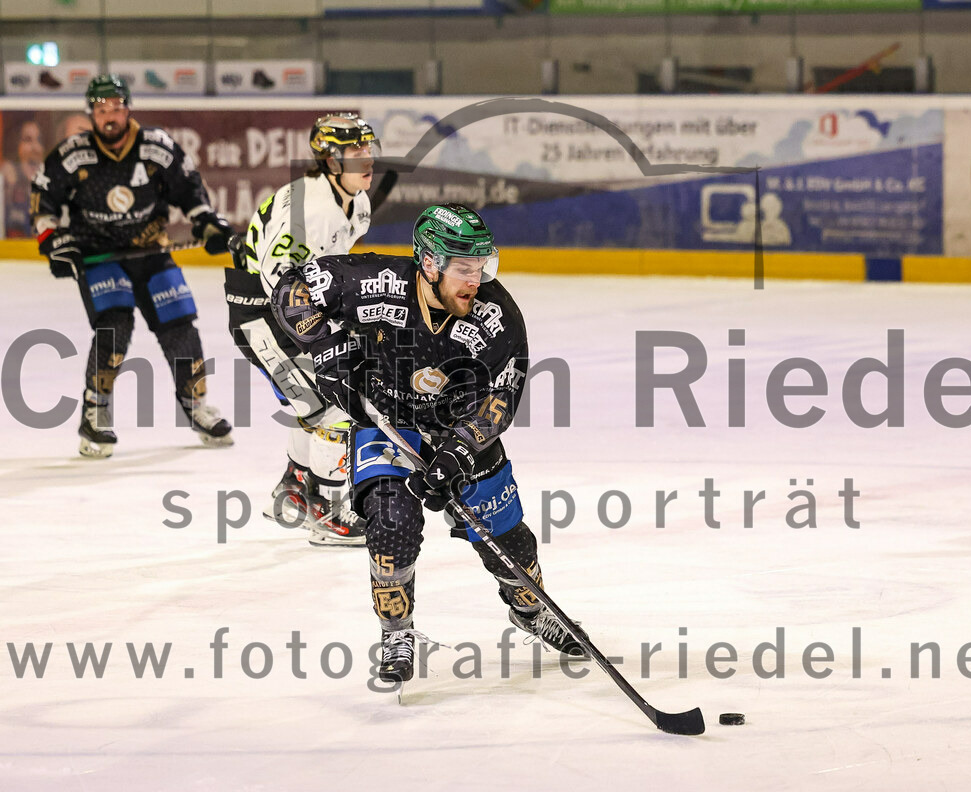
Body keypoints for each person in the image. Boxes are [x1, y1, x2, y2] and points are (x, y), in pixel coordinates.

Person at [271, 203, 589, 684]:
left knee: (507, 539)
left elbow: (502, 396)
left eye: (482, 266)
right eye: (464, 268)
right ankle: (396, 632)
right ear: (429, 264)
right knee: (392, 525)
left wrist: (459, 452)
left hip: (458, 428)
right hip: (387, 423)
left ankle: (529, 609)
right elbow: (292, 287)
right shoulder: (375, 282)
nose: (475, 280)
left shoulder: (496, 316)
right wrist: (327, 351)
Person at [31, 74, 234, 458]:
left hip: (151, 250)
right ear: (91, 112)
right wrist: (54, 242)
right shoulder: (72, 154)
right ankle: (96, 412)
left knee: (179, 321)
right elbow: (43, 201)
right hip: (98, 254)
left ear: (128, 108)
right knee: (115, 323)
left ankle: (197, 406)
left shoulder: (157, 147)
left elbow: (189, 189)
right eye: (101, 109)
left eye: (117, 108)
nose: (110, 116)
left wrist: (206, 221)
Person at [225, 113, 397, 547]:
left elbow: (323, 272)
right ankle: (328, 511)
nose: (367, 159)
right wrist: (325, 337)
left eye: (367, 150)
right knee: (331, 404)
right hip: (261, 320)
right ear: (330, 161)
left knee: (312, 398)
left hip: (285, 313)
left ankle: (294, 492)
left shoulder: (354, 201)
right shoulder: (314, 210)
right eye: (355, 153)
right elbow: (279, 283)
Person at [1, 118, 45, 238]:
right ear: (17, 147)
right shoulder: (6, 184)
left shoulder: (53, 185)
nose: (35, 147)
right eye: (28, 140)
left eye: (39, 140)